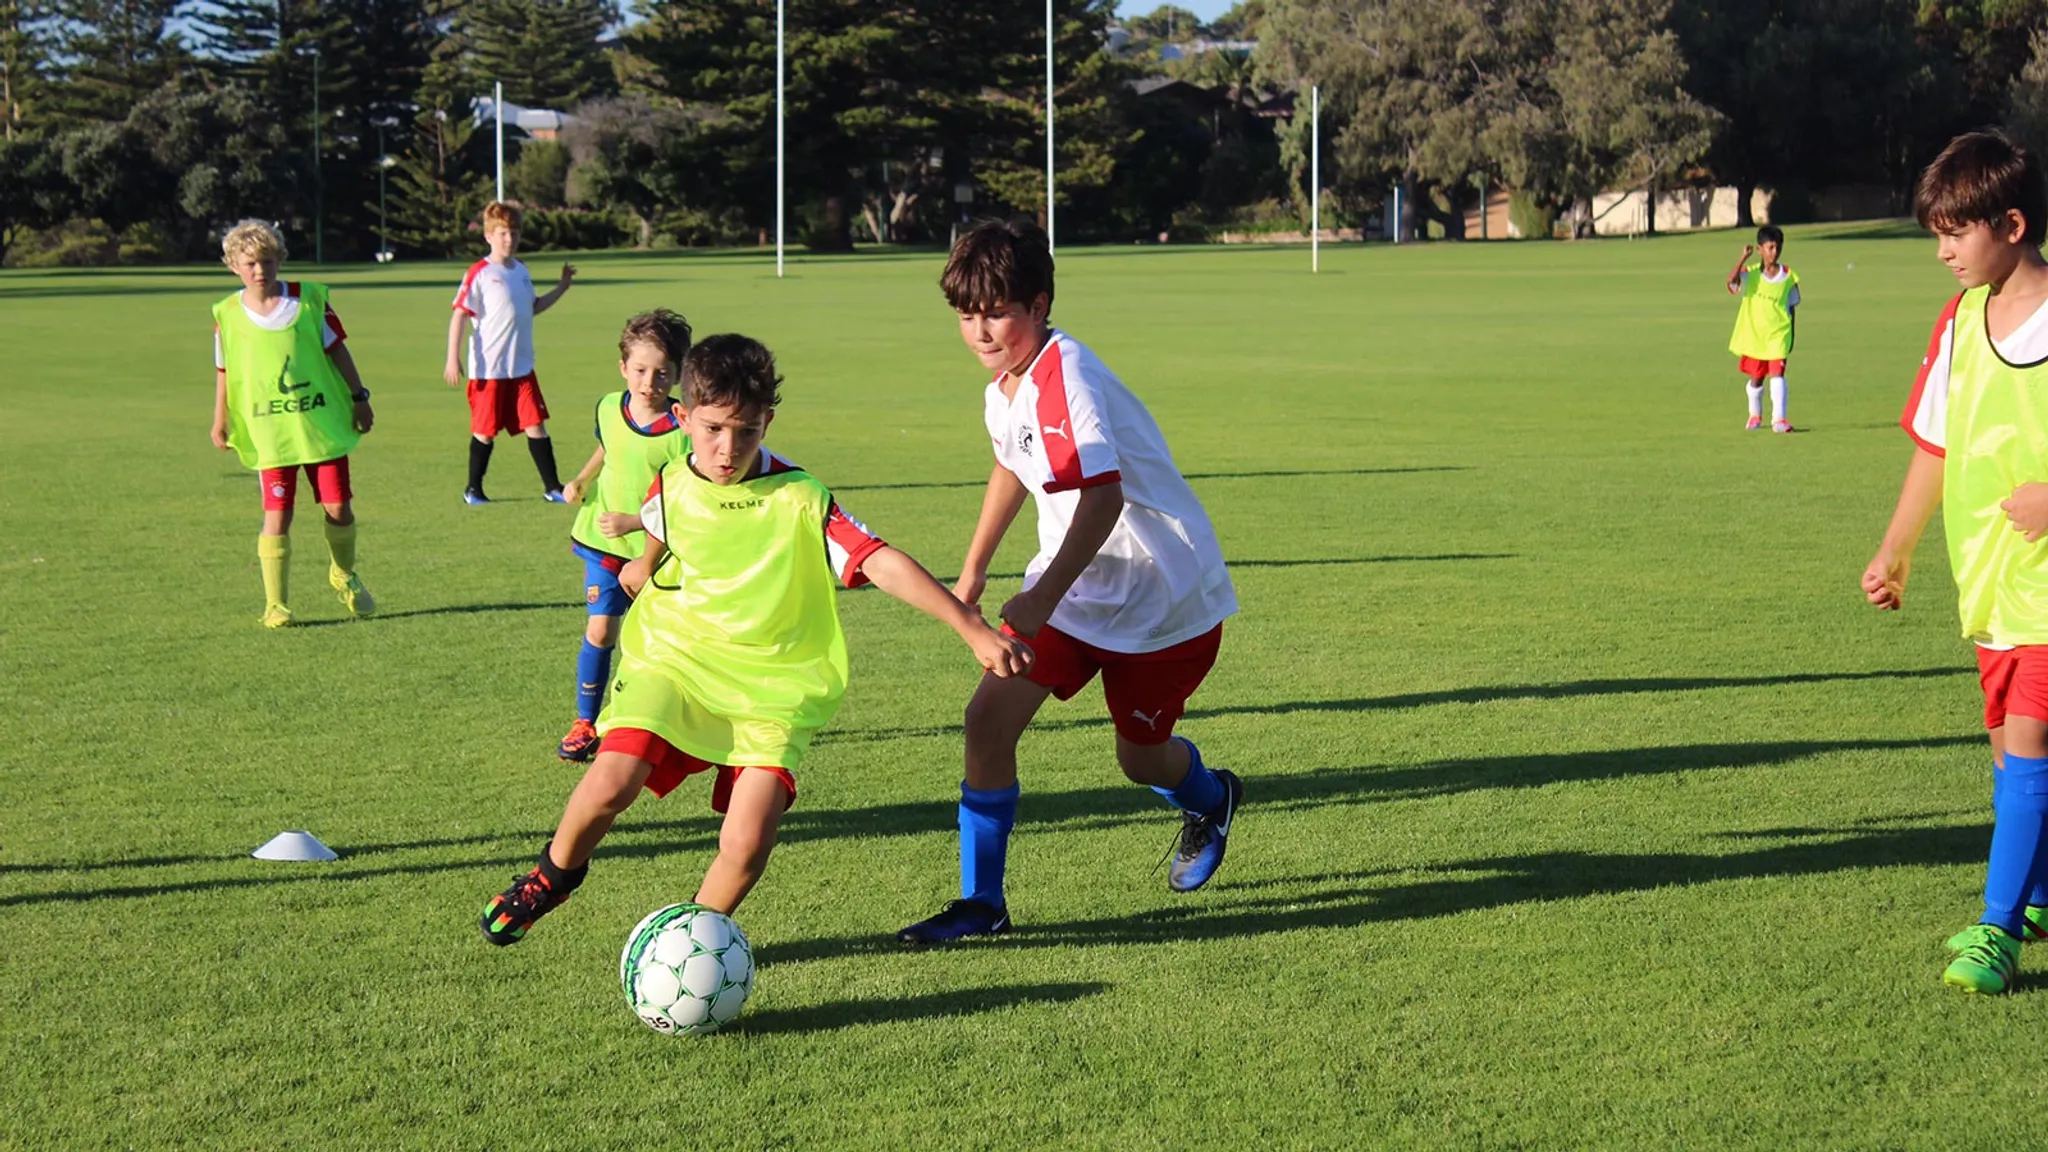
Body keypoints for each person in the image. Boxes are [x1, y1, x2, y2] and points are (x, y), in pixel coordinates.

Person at [480, 334, 1032, 944]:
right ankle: (553, 876)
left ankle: (688, 943)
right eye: (714, 429)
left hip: (773, 683)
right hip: (676, 661)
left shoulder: (800, 496)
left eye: (747, 431)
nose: (728, 449)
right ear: (683, 418)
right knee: (611, 781)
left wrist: (969, 625)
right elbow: (662, 539)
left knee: (747, 843)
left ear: (767, 421)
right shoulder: (667, 482)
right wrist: (642, 567)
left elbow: (877, 561)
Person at [896, 219, 1242, 947]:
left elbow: (1103, 497)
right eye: (967, 315)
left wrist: (1040, 593)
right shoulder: (1007, 387)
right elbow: (1012, 466)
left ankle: (1211, 798)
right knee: (986, 721)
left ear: (1041, 304)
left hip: (1160, 601)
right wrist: (975, 569)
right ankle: (981, 903)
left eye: (998, 312)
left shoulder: (1068, 378)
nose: (982, 330)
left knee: (1139, 758)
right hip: (1078, 593)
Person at [1862, 128, 2048, 994]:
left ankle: (1996, 932)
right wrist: (1895, 551)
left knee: (2032, 743)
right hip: (1990, 582)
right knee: (2011, 757)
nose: (1941, 251)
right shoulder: (1961, 323)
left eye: (1955, 231)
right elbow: (1936, 445)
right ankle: (2039, 893)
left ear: (2011, 224)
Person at [208, 219, 375, 629]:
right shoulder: (227, 314)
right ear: (233, 266)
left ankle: (343, 574)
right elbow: (225, 370)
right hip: (270, 431)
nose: (259, 270)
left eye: (266, 261)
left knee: (339, 508)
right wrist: (220, 419)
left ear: (280, 260)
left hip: (321, 425)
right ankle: (276, 604)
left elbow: (339, 352)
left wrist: (360, 397)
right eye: (249, 263)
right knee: (277, 515)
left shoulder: (307, 302)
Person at [555, 309, 695, 763]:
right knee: (600, 630)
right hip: (603, 544)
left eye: (662, 373)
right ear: (623, 368)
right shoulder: (608, 407)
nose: (649, 381)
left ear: (678, 375)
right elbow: (609, 447)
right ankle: (585, 723)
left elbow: (682, 497)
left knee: (663, 643)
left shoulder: (681, 432)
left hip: (656, 555)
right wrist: (581, 479)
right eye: (640, 370)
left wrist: (635, 523)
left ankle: (674, 722)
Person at [445, 201, 577, 504]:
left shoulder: (520, 271)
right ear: (489, 236)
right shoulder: (479, 273)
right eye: (503, 232)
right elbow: (460, 314)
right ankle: (473, 489)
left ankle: (552, 487)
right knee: (485, 431)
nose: (509, 239)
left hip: (521, 368)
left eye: (514, 233)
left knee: (536, 425)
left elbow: (534, 307)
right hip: (489, 370)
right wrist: (452, 357)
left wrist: (563, 287)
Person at [1725, 224, 1802, 432]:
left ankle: (1779, 419)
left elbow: (1792, 306)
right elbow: (1731, 282)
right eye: (1770, 248)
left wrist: (1791, 334)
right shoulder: (1751, 275)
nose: (1774, 252)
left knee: (1777, 374)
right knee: (1757, 378)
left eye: (1777, 247)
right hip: (1756, 336)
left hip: (1779, 334)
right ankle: (1755, 415)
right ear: (1760, 249)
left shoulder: (1788, 277)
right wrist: (1743, 258)